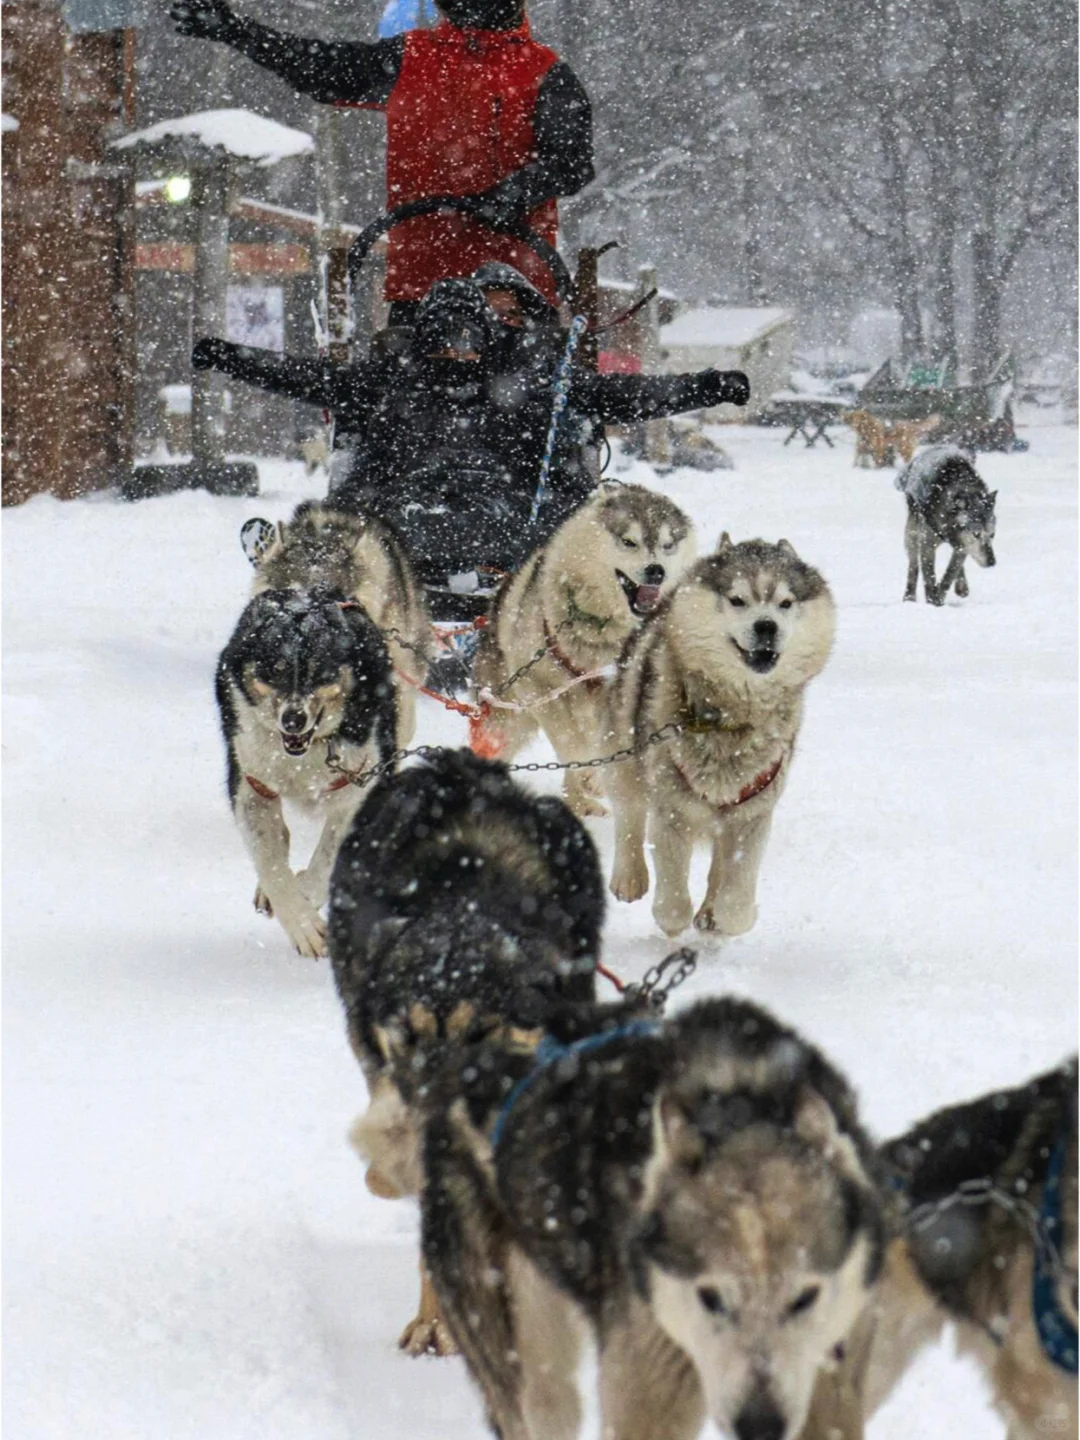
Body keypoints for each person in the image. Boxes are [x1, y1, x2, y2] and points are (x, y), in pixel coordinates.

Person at [191, 278, 750, 587]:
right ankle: (297, 570)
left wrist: (710, 386)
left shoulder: (530, 379)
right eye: (442, 342)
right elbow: (304, 376)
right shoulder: (388, 378)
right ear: (421, 338)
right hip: (397, 516)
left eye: (466, 342)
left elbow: (623, 395)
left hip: (511, 515)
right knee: (340, 531)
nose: (454, 354)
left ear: (488, 339)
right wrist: (231, 357)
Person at [170, 0, 594, 319]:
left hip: (514, 291)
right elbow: (321, 70)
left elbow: (572, 163)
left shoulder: (544, 72)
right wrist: (239, 32)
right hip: (423, 288)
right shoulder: (412, 57)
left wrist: (510, 196)